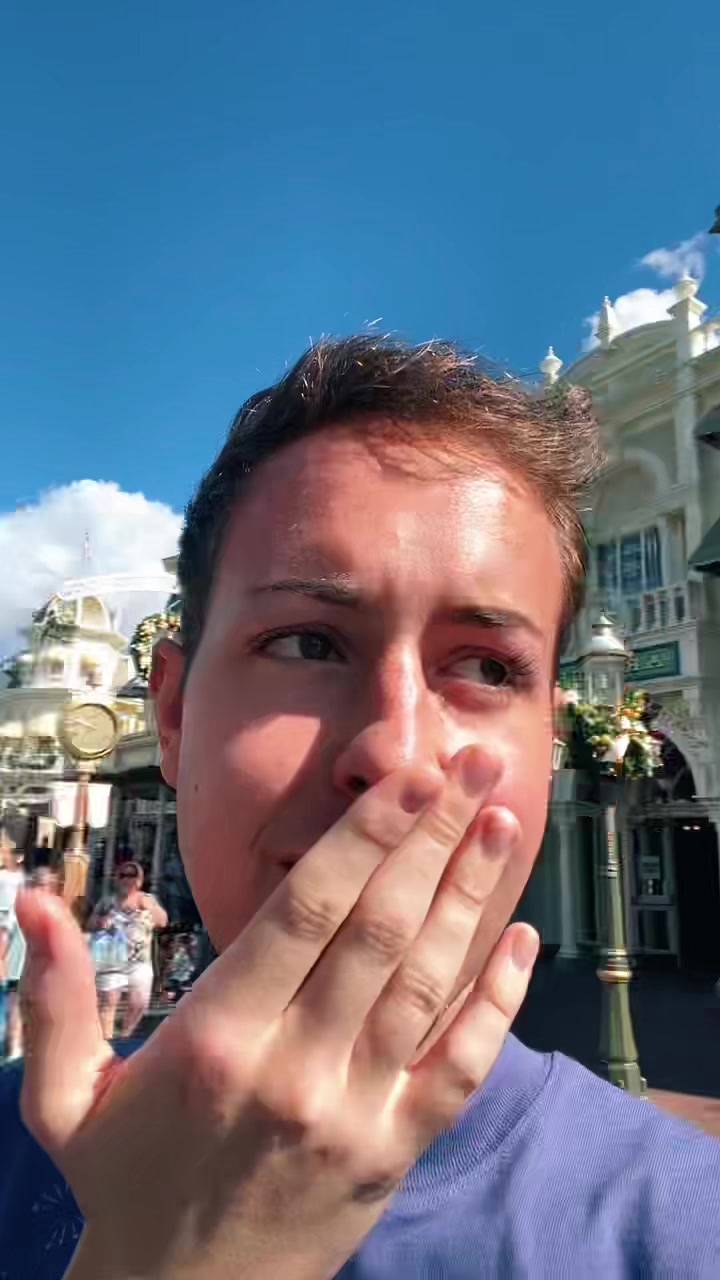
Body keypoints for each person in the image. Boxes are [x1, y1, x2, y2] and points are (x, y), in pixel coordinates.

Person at [2, 336, 719, 1278]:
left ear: (551, 739)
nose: (395, 755)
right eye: (307, 643)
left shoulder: (683, 1229)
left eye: (485, 667)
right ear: (171, 716)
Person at [88, 861, 168, 1040]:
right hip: (112, 959)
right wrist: (101, 922)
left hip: (139, 960)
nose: (127, 879)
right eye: (123, 875)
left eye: (132, 875)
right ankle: (107, 1041)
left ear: (139, 880)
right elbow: (90, 923)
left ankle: (125, 1036)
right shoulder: (107, 901)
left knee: (139, 1003)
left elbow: (163, 921)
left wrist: (150, 907)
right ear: (117, 879)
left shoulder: (148, 899)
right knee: (109, 1001)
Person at [0, 836, 27, 1062]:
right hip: (11, 954)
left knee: (12, 1003)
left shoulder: (13, 882)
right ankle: (13, 1049)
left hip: (13, 954)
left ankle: (13, 1048)